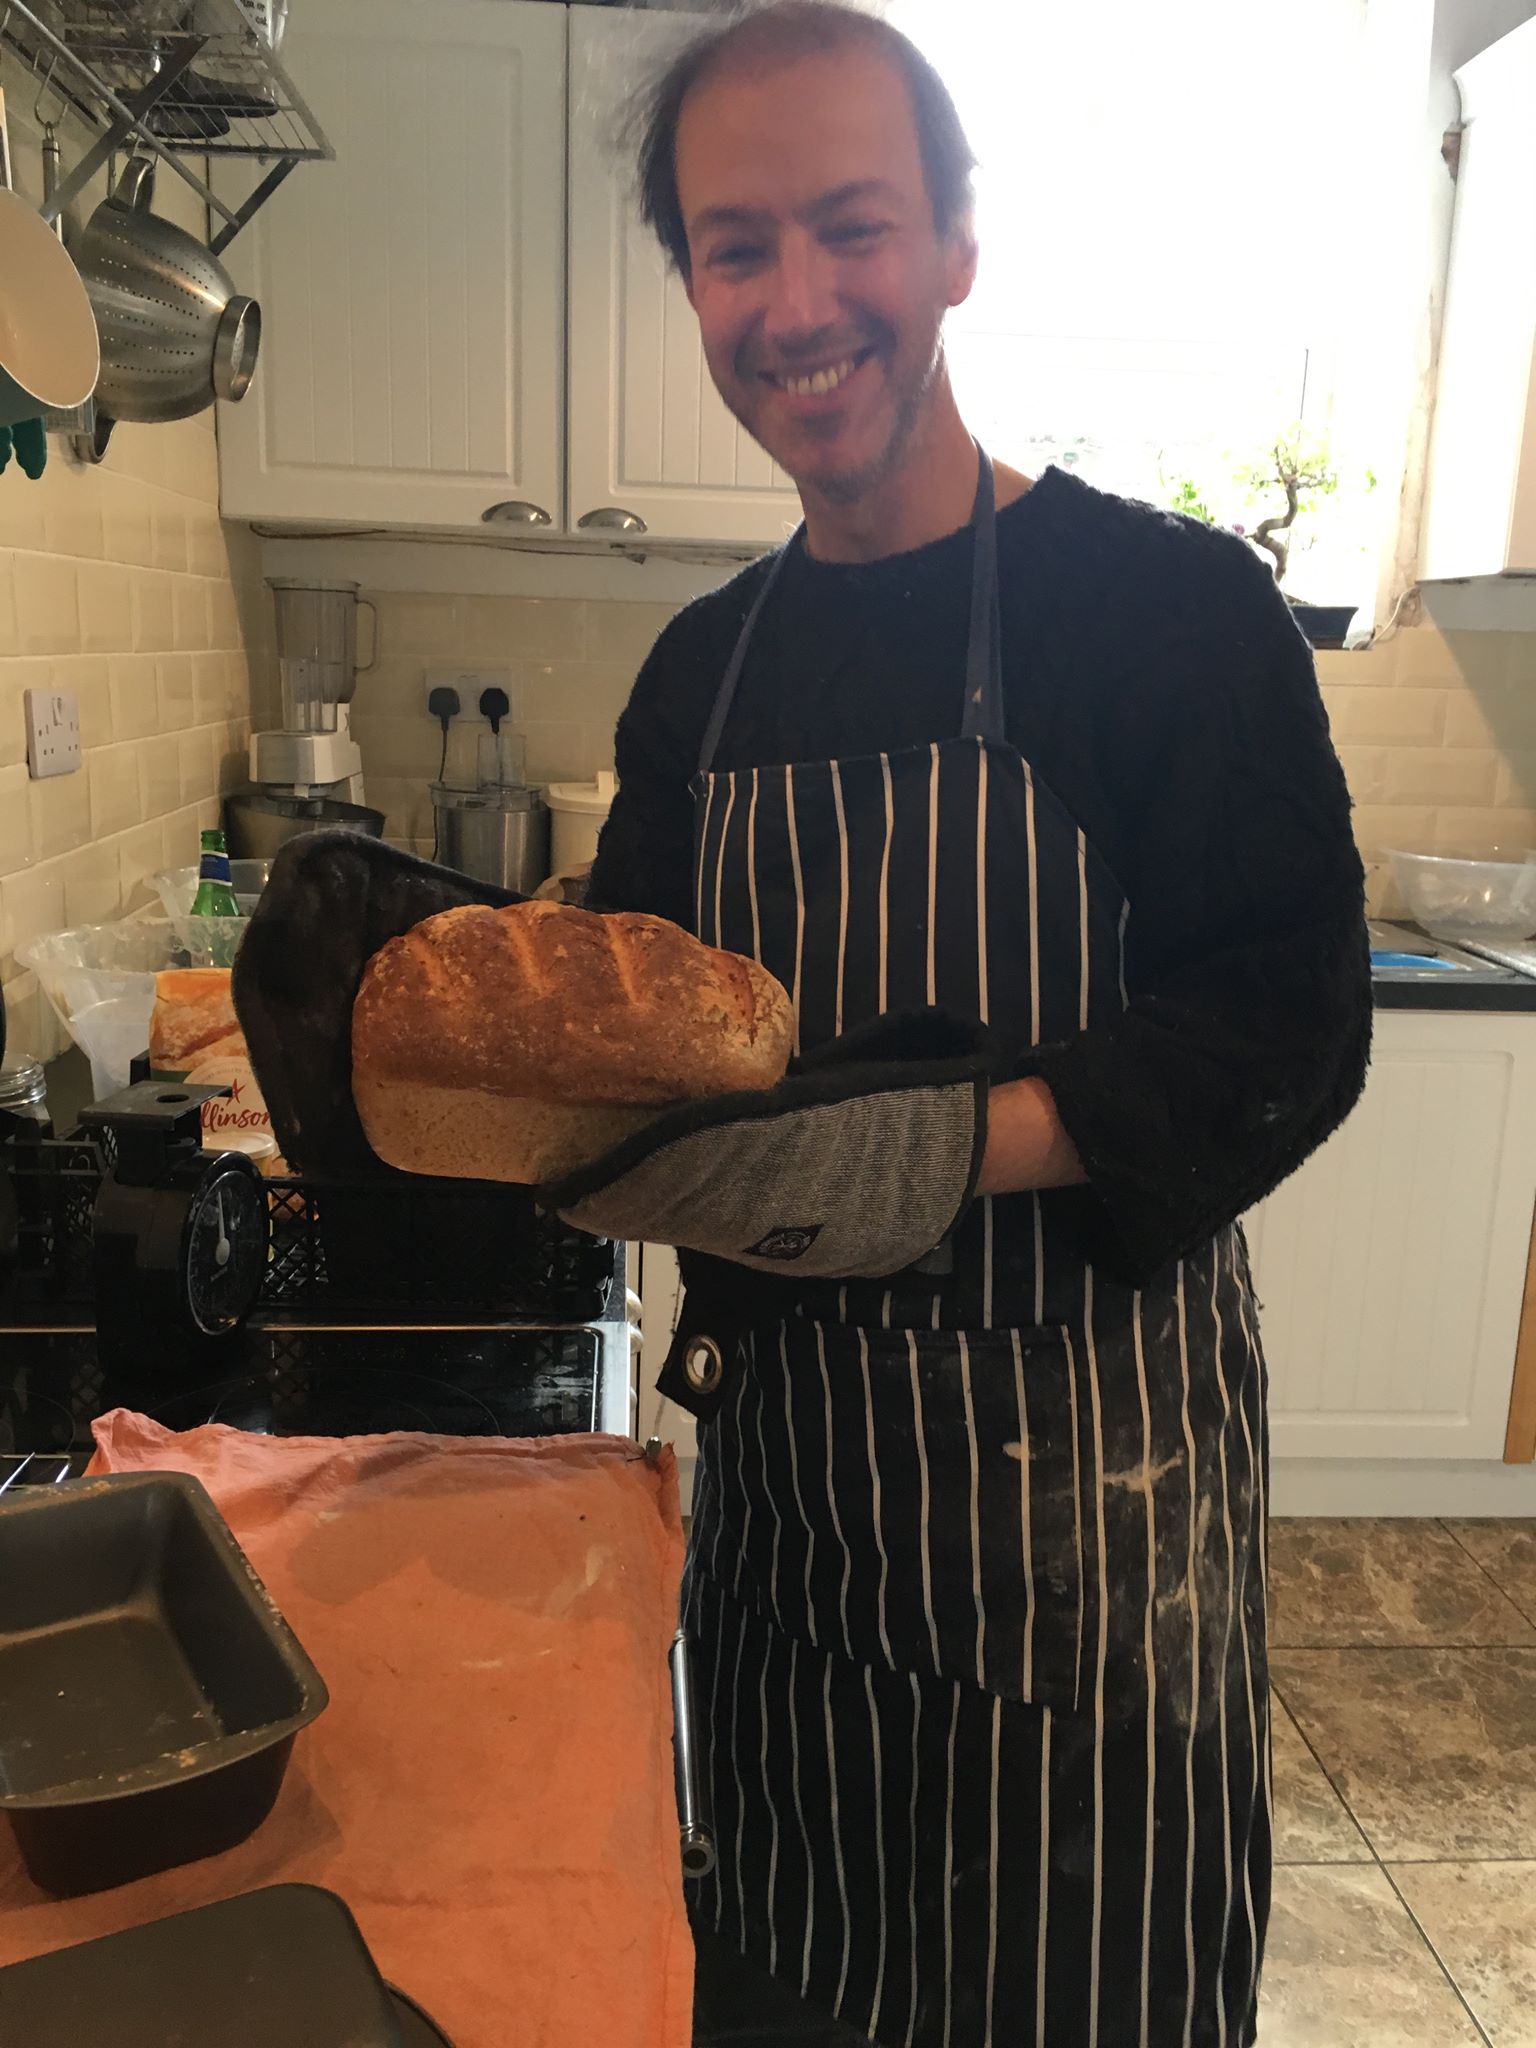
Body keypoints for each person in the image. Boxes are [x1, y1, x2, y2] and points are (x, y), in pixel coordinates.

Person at [587, 6, 1372, 2044]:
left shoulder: (1167, 614)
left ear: (956, 242)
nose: (798, 300)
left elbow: (1288, 1023)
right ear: (693, 287)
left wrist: (932, 1148)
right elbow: (626, 1031)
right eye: (734, 247)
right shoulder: (705, 677)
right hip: (800, 1543)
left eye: (851, 226)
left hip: (1086, 1575)